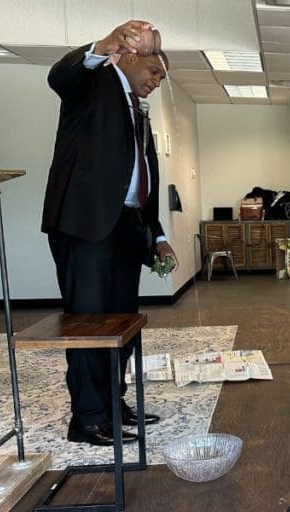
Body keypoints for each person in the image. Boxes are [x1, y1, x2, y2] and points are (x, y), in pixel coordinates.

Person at [41, 20, 174, 446]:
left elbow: (141, 179)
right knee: (89, 325)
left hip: (125, 229)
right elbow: (59, 75)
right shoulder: (93, 83)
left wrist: (155, 235)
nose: (156, 81)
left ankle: (114, 404)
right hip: (86, 226)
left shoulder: (136, 108)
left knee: (121, 325)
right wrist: (105, 43)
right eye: (155, 71)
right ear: (130, 57)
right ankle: (88, 417)